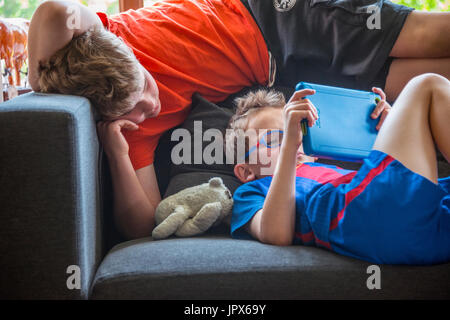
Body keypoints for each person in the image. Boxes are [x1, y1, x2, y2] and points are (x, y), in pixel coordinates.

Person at [27, 0, 450, 239]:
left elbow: (50, 13)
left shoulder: (105, 34)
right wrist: (117, 151)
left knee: (428, 36)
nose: (149, 109)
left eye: (146, 89)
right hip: (277, 73)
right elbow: (142, 225)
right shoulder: (136, 128)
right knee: (432, 77)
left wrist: (43, 76)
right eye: (132, 111)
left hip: (276, 18)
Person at [225, 73, 450, 265]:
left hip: (419, 210)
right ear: (246, 171)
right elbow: (275, 235)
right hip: (367, 217)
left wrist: (392, 127)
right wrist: (289, 147)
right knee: (427, 85)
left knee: (432, 90)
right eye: (274, 139)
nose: (296, 140)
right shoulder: (250, 192)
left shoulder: (329, 169)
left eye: (299, 130)